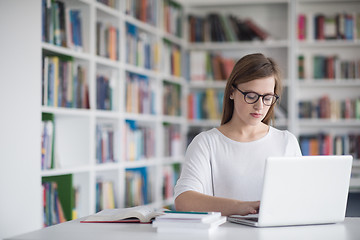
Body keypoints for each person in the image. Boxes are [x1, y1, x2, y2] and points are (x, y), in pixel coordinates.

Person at [174, 53, 302, 216]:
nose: (259, 106)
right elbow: (184, 200)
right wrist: (241, 207)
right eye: (251, 96)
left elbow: (298, 198)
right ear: (232, 92)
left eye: (267, 97)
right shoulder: (206, 143)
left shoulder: (286, 141)